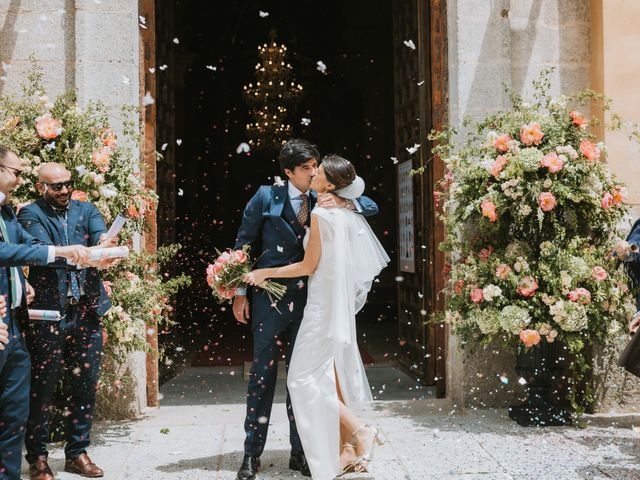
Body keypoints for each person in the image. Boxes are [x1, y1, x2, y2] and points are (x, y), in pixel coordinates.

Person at [232, 140, 378, 480]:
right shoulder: (266, 196)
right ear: (287, 173)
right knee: (262, 377)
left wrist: (342, 200)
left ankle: (301, 453)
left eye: (316, 166)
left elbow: (369, 205)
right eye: (305, 168)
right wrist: (239, 292)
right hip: (269, 301)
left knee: (305, 379)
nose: (313, 172)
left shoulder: (324, 195)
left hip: (310, 302)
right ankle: (251, 453)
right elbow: (242, 243)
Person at [18, 162, 117, 480]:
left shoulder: (86, 209)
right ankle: (38, 457)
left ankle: (77, 452)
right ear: (40, 187)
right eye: (55, 186)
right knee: (42, 387)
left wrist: (104, 247)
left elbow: (101, 234)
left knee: (85, 385)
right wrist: (71, 253)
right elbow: (35, 250)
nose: (63, 191)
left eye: (67, 185)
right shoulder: (30, 214)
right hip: (48, 314)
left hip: (86, 311)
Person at [0, 147, 91, 480]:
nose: (20, 179)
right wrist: (61, 250)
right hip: (8, 322)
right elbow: (7, 251)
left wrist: (24, 286)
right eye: (17, 172)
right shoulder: (18, 210)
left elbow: (25, 246)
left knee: (14, 411)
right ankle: (33, 458)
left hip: (11, 320)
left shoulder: (8, 212)